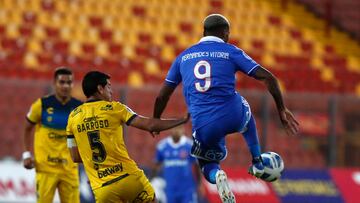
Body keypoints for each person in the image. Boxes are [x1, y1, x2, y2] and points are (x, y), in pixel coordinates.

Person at [153, 14, 300, 203]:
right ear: (225, 32)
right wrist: (281, 109)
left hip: (202, 123)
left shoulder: (183, 57)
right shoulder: (230, 51)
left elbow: (162, 96)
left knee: (207, 163)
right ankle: (257, 162)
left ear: (204, 31)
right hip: (232, 114)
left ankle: (217, 177)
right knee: (245, 112)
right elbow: (268, 78)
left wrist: (156, 120)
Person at [66, 71, 189, 203]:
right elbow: (150, 125)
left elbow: (75, 157)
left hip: (103, 188)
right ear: (100, 89)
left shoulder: (73, 117)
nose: (111, 91)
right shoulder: (115, 108)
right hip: (129, 179)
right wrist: (182, 120)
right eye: (108, 86)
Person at [22, 67, 82, 203]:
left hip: (69, 169)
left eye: (69, 82)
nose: (66, 86)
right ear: (54, 83)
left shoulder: (79, 108)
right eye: (62, 82)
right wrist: (26, 154)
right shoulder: (42, 105)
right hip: (46, 168)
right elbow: (27, 128)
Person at [153, 126, 202, 203]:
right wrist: (154, 181)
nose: (176, 131)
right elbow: (156, 165)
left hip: (187, 191)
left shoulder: (190, 145)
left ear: (183, 130)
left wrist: (199, 184)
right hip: (169, 190)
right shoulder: (162, 146)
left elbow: (197, 166)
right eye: (174, 128)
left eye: (179, 128)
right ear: (170, 129)